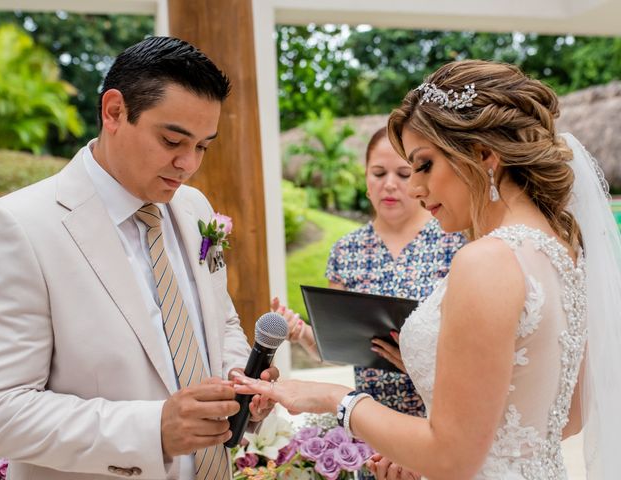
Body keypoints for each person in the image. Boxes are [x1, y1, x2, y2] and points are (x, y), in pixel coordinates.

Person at [235, 59, 621, 479]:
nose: (415, 188)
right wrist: (423, 449)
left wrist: (336, 399)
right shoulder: (563, 252)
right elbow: (565, 416)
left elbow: (452, 459)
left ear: (483, 154)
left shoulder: (485, 260)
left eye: (423, 165)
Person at [0, 37, 277, 480]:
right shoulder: (17, 227)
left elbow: (220, 323)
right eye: (173, 139)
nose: (188, 164)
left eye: (203, 146)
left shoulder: (193, 207)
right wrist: (152, 429)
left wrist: (239, 378)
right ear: (114, 111)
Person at [277, 127, 465, 423]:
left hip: (439, 418)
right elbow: (337, 349)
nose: (389, 185)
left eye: (403, 174)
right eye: (378, 174)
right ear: (366, 180)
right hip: (370, 421)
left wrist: (420, 362)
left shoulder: (455, 241)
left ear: (420, 179)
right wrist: (300, 331)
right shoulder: (345, 250)